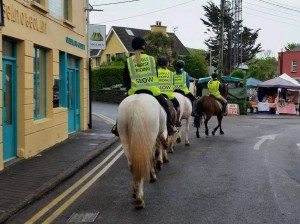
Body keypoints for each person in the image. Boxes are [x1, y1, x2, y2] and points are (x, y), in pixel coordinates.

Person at [111, 37, 177, 136]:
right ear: (144, 47)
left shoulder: (129, 61)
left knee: (121, 107)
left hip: (134, 91)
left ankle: (117, 127)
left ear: (133, 47)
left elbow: (126, 79)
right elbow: (156, 75)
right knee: (166, 107)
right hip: (152, 91)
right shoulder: (151, 59)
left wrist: (129, 89)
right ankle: (169, 127)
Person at [157, 56, 181, 127]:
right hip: (169, 95)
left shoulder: (156, 72)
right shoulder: (171, 73)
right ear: (167, 64)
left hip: (158, 95)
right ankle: (177, 122)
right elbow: (173, 84)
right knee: (178, 106)